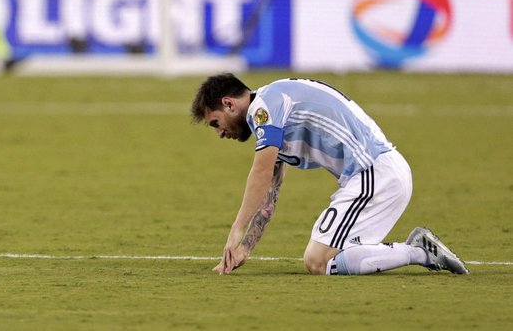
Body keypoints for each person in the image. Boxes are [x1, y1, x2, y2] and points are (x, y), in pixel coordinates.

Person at [190, 73, 469, 276]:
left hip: (374, 173)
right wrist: (245, 249)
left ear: (229, 104)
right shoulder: (274, 110)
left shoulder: (264, 108)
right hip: (377, 176)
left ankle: (418, 251)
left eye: (216, 123)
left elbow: (260, 172)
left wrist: (236, 231)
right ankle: (417, 250)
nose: (220, 133)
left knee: (319, 261)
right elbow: (269, 195)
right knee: (326, 260)